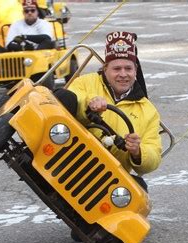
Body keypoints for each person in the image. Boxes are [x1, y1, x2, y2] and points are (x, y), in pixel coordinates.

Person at [56, 31, 162, 189]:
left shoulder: (148, 110)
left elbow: (153, 156)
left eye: (128, 68)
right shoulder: (85, 82)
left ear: (136, 70)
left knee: (140, 190)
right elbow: (67, 101)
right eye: (116, 69)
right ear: (105, 68)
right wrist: (88, 104)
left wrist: (138, 152)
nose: (123, 74)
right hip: (72, 161)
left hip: (110, 177)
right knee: (61, 95)